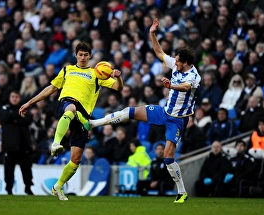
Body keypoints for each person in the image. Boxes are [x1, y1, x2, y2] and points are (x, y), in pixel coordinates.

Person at [84, 18, 201, 203]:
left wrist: (171, 85)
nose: (174, 63)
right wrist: (152, 34)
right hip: (164, 112)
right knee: (129, 111)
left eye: (177, 61)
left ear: (185, 62)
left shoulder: (194, 76)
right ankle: (93, 123)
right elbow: (159, 52)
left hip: (178, 120)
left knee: (168, 158)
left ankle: (182, 192)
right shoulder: (176, 65)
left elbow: (186, 88)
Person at [18, 42, 123, 200]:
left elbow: (118, 88)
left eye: (86, 55)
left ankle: (57, 187)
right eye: (80, 54)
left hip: (84, 115)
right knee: (71, 109)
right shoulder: (67, 69)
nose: (82, 57)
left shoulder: (97, 74)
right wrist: (30, 102)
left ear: (90, 56)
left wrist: (119, 77)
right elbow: (51, 88)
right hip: (67, 103)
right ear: (76, 55)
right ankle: (56, 143)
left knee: (76, 160)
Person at [0, 91, 34, 195]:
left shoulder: (25, 108)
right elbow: (5, 117)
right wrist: (19, 117)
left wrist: (14, 119)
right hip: (9, 146)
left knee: (27, 169)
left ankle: (28, 187)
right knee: (9, 170)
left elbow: (29, 119)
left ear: (20, 98)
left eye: (17, 97)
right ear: (9, 98)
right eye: (13, 96)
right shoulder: (4, 108)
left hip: (23, 145)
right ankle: (9, 189)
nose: (15, 99)